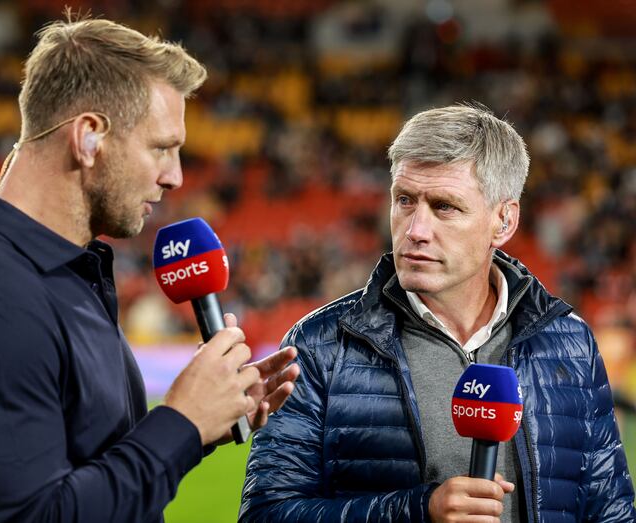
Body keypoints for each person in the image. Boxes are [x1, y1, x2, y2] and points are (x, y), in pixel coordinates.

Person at [0, 14, 300, 523]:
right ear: (89, 137)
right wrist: (182, 422)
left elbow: (86, 476)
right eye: (162, 148)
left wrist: (206, 420)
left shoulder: (61, 272)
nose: (175, 177)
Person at [240, 104, 635, 522]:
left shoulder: (568, 342)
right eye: (405, 201)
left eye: (444, 206)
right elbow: (266, 514)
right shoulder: (320, 346)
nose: (415, 230)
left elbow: (611, 512)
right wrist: (416, 510)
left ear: (503, 221)